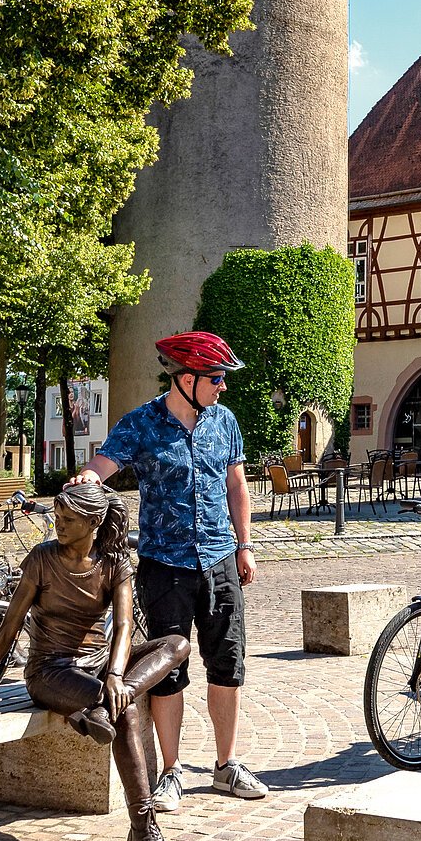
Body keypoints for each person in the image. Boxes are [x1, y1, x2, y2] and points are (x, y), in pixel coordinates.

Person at [0, 479, 189, 841]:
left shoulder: (114, 562)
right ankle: (143, 830)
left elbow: (126, 626)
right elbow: (8, 630)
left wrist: (115, 676)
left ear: (93, 521)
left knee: (176, 644)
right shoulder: (42, 559)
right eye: (58, 517)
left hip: (99, 667)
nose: (58, 524)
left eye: (66, 519)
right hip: (51, 671)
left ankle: (102, 707)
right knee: (125, 712)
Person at [81, 330, 266, 808]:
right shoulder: (141, 423)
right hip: (164, 567)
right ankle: (171, 770)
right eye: (216, 378)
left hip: (220, 560)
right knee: (167, 672)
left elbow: (237, 487)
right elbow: (101, 466)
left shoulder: (224, 422)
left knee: (227, 665)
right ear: (187, 379)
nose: (223, 387)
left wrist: (245, 545)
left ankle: (225, 766)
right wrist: (85, 480)